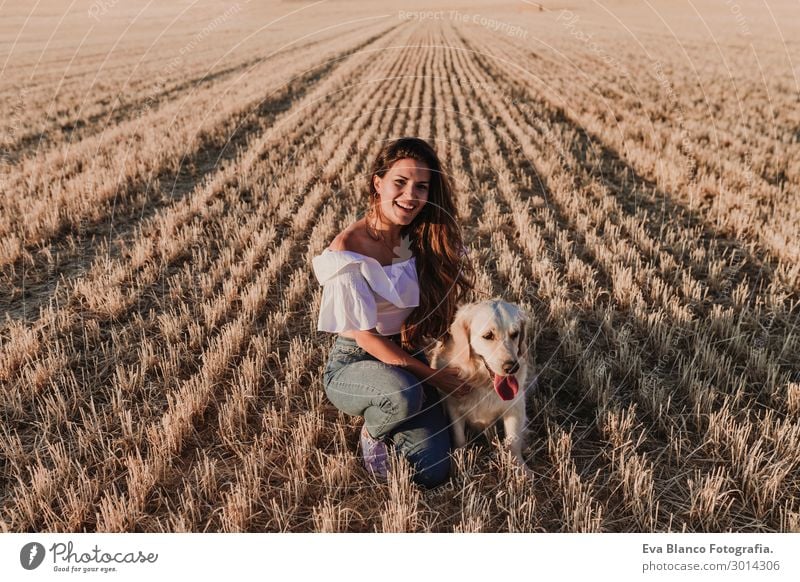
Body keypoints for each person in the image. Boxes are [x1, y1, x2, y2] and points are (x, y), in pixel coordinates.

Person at [311, 137, 476, 489]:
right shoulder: (348, 249)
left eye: (421, 187)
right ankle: (375, 430)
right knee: (403, 394)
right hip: (355, 361)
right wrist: (433, 377)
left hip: (408, 352)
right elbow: (366, 338)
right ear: (378, 182)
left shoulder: (422, 236)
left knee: (432, 472)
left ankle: (395, 407)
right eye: (399, 183)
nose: (410, 195)